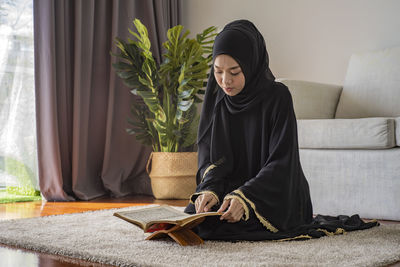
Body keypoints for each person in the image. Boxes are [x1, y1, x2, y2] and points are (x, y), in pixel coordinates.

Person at [184, 19, 378, 241]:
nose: (225, 81)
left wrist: (245, 197)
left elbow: (281, 163)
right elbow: (213, 159)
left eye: (235, 72)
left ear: (251, 63)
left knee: (230, 225)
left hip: (276, 192)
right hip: (233, 188)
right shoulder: (219, 100)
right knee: (196, 216)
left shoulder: (277, 97)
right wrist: (210, 190)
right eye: (218, 71)